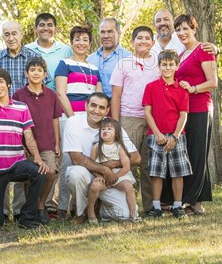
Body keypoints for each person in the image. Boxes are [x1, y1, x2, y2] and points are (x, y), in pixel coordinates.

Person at [0, 68, 49, 230]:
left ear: (8, 84)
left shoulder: (21, 108)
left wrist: (37, 157)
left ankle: (27, 218)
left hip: (16, 165)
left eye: (1, 81)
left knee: (40, 172)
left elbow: (28, 136)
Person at [162, 14, 218, 216]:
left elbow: (213, 82)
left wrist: (193, 89)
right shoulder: (183, 54)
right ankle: (194, 201)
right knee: (190, 154)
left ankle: (193, 201)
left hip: (200, 108)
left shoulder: (204, 50)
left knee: (197, 154)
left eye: (186, 28)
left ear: (194, 29)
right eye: (178, 29)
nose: (182, 33)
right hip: (185, 110)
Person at [0, 20, 51, 219]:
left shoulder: (33, 57)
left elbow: (46, 83)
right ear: (3, 37)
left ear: (21, 34)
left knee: (23, 160)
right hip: (3, 117)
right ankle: (1, 210)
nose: (11, 38)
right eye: (6, 34)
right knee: (4, 160)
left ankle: (21, 210)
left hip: (28, 118)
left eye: (14, 33)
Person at [64, 93, 141, 223]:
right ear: (85, 106)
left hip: (112, 178)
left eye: (101, 107)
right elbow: (76, 158)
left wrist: (113, 164)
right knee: (75, 173)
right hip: (88, 175)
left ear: (107, 110)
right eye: (93, 105)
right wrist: (105, 170)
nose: (96, 111)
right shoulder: (73, 122)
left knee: (124, 214)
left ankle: (101, 208)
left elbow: (136, 158)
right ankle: (81, 212)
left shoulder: (114, 127)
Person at [109, 26, 160, 212]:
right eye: (139, 38)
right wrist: (115, 123)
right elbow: (115, 96)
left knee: (149, 164)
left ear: (153, 43)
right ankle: (126, 207)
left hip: (152, 120)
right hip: (128, 118)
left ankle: (150, 207)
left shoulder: (157, 64)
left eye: (147, 38)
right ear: (132, 42)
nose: (143, 41)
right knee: (128, 163)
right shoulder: (124, 64)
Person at [55, 25, 102, 219]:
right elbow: (60, 92)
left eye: (84, 39)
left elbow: (98, 95)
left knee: (85, 162)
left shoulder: (94, 68)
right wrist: (73, 118)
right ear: (71, 42)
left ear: (90, 43)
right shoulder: (64, 63)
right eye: (77, 39)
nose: (81, 43)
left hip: (90, 122)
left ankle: (79, 207)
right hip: (70, 118)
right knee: (67, 163)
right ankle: (62, 207)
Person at [12, 56, 63, 225]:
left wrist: (57, 143)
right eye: (32, 70)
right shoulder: (18, 95)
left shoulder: (51, 94)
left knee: (50, 172)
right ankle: (28, 210)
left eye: (39, 70)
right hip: (26, 146)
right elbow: (16, 123)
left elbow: (55, 119)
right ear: (26, 73)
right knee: (29, 177)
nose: (36, 73)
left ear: (45, 74)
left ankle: (40, 205)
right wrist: (21, 146)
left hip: (47, 143)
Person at [143, 50, 192, 219]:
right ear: (159, 66)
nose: (167, 67)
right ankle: (156, 207)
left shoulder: (182, 89)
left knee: (177, 173)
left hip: (177, 135)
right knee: (156, 173)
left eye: (171, 64)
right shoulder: (151, 87)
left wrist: (175, 136)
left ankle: (178, 206)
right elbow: (147, 113)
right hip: (156, 135)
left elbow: (183, 115)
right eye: (164, 64)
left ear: (177, 66)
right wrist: (157, 134)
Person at [87, 118, 139, 223]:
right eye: (103, 129)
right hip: (103, 176)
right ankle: (91, 211)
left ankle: (133, 214)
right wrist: (99, 176)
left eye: (109, 129)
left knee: (128, 186)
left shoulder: (120, 147)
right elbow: (91, 165)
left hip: (120, 175)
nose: (105, 131)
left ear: (116, 133)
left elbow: (126, 167)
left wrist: (116, 177)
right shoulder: (96, 147)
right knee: (95, 186)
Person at [87, 18, 132, 99]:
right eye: (102, 32)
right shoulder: (90, 59)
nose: (106, 36)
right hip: (94, 108)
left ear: (118, 33)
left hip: (119, 107)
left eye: (110, 32)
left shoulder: (129, 58)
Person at [25, 13, 72, 90]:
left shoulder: (66, 50)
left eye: (50, 25)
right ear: (35, 29)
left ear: (55, 29)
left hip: (59, 99)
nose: (46, 28)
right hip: (32, 99)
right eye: (42, 25)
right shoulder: (27, 49)